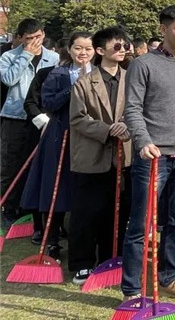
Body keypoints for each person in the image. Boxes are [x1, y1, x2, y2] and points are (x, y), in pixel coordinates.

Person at [122, 5, 175, 301]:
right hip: (153, 158)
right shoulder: (143, 64)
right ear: (163, 29)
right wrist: (143, 141)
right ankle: (132, 289)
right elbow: (132, 108)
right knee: (140, 224)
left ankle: (170, 277)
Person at [21, 31, 93, 262]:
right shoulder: (58, 73)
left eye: (88, 48)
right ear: (69, 49)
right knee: (56, 187)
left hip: (90, 138)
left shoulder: (100, 73)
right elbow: (48, 102)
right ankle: (51, 240)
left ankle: (83, 239)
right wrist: (74, 87)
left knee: (85, 188)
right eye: (78, 48)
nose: (83, 53)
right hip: (60, 135)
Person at [68, 26, 132, 285]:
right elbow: (77, 119)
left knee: (118, 212)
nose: (122, 50)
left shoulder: (132, 79)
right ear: (100, 50)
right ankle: (82, 263)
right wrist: (107, 130)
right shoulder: (84, 82)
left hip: (124, 156)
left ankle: (111, 258)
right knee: (86, 212)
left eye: (125, 45)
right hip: (92, 156)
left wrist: (126, 125)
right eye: (116, 45)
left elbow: (141, 109)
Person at [0, 19, 60, 228]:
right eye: (29, 38)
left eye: (38, 37)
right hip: (15, 116)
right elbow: (8, 79)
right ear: (20, 38)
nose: (35, 41)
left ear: (43, 34)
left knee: (36, 163)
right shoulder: (9, 56)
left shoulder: (53, 57)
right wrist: (26, 55)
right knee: (11, 163)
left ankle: (29, 206)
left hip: (41, 116)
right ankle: (9, 207)